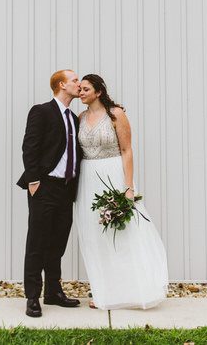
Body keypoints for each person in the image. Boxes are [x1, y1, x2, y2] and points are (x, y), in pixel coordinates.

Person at [75, 74, 168, 310]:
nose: (81, 92)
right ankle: (104, 291)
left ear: (98, 92)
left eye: (86, 89)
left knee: (123, 233)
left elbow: (127, 150)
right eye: (80, 89)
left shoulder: (116, 114)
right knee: (95, 235)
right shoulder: (81, 118)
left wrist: (128, 187)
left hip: (113, 175)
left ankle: (134, 289)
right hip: (88, 178)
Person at [16, 69, 84, 318]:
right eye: (75, 80)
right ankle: (33, 296)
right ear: (62, 84)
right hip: (44, 187)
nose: (79, 83)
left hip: (66, 189)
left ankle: (53, 292)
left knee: (58, 242)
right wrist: (34, 180)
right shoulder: (41, 111)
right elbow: (29, 147)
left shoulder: (74, 119)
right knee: (37, 242)